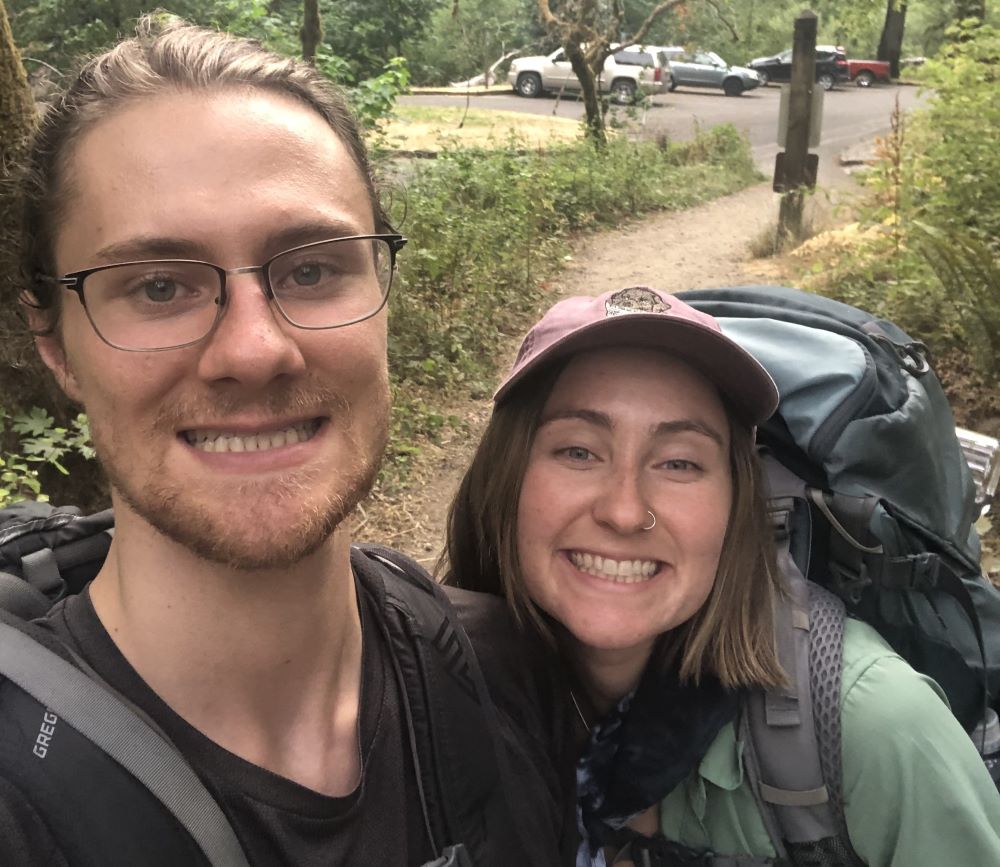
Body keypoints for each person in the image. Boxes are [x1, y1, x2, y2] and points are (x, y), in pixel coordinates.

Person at [0, 17, 574, 867]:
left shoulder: (502, 673)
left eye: (311, 269)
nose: (254, 349)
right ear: (54, 345)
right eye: (159, 286)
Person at [443, 286, 1000, 866]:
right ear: (505, 481)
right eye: (579, 451)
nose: (625, 511)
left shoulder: (873, 725)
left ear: (739, 504)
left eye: (680, 462)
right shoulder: (426, 693)